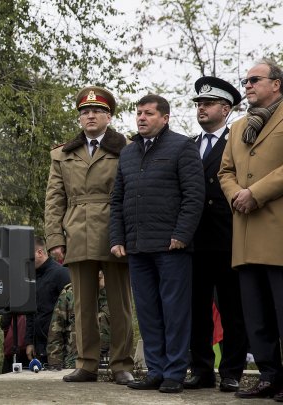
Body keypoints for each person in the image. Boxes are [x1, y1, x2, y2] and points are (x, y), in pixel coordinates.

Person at [110, 94, 204, 393]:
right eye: (138, 113)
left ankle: (175, 372)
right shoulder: (128, 152)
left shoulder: (182, 146)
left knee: (175, 312)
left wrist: (182, 234)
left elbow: (194, 196)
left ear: (164, 118)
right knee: (148, 312)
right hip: (137, 247)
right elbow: (117, 200)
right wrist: (117, 238)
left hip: (171, 247)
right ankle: (156, 371)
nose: (141, 118)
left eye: (148, 113)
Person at [45, 86, 135, 385]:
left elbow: (134, 193)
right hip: (77, 230)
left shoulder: (126, 148)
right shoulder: (63, 153)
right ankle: (86, 363)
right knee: (82, 304)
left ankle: (122, 363)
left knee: (119, 302)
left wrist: (129, 233)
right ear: (80, 118)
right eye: (85, 112)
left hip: (114, 230)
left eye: (97, 111)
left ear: (109, 116)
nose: (91, 116)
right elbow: (55, 198)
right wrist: (55, 238)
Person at [219, 58, 283, 400]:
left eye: (254, 79)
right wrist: (236, 195)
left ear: (276, 83)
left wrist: (255, 194)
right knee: (256, 316)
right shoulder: (237, 126)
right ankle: (270, 377)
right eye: (245, 81)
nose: (247, 85)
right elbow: (224, 171)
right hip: (244, 235)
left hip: (278, 233)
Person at [184, 76, 248, 393]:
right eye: (199, 104)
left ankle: (233, 370)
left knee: (233, 307)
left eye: (208, 104)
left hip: (228, 237)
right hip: (195, 240)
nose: (202, 109)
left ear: (225, 108)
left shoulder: (238, 141)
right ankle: (201, 368)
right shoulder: (189, 145)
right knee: (197, 309)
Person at [47, 271, 111, 370]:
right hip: (75, 363)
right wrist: (55, 364)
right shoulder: (70, 292)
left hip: (108, 363)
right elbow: (56, 331)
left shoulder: (116, 293)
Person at [25, 237, 70, 366]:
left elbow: (72, 310)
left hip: (60, 346)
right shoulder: (30, 278)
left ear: (40, 252)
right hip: (39, 347)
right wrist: (29, 341)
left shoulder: (61, 273)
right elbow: (30, 312)